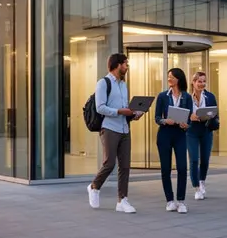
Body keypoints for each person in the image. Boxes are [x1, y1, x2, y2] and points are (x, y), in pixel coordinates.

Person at [87, 53, 145, 213]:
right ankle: (94, 187)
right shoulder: (103, 83)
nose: (127, 67)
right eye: (125, 64)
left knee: (125, 166)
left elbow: (126, 106)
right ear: (117, 65)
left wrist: (133, 113)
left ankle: (122, 200)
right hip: (109, 128)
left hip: (124, 128)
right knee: (109, 163)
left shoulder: (123, 85)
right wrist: (120, 111)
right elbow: (100, 107)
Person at [154, 68, 193, 213]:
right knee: (166, 168)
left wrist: (186, 124)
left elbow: (189, 118)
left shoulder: (187, 97)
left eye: (171, 77)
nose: (169, 79)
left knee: (182, 167)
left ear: (178, 79)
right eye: (168, 76)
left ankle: (181, 201)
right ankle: (170, 200)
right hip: (165, 134)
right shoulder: (163, 96)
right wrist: (165, 121)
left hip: (180, 134)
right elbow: (157, 118)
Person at [187, 71, 217, 200]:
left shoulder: (210, 96)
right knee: (194, 159)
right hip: (191, 131)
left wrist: (209, 116)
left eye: (204, 81)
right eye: (199, 81)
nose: (202, 84)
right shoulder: (186, 97)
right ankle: (197, 188)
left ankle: (202, 181)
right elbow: (182, 113)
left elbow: (215, 113)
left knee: (205, 159)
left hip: (206, 130)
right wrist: (190, 116)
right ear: (193, 82)